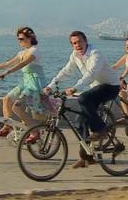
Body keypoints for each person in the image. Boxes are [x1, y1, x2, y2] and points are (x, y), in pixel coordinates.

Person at [44, 31, 120, 169]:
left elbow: (91, 74)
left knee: (83, 98)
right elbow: (66, 71)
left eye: (79, 41)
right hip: (96, 87)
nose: (77, 45)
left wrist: (75, 87)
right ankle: (86, 157)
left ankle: (101, 129)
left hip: (111, 86)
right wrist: (51, 85)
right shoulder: (75, 55)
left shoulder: (96, 53)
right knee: (79, 122)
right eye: (74, 43)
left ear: (85, 41)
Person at [0, 27, 47, 142]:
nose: (20, 41)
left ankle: (35, 131)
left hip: (34, 84)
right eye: (18, 39)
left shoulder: (35, 51)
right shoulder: (22, 53)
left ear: (30, 38)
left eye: (22, 39)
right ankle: (7, 125)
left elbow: (23, 63)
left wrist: (7, 73)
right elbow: (8, 63)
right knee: (7, 99)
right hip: (24, 83)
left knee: (16, 107)